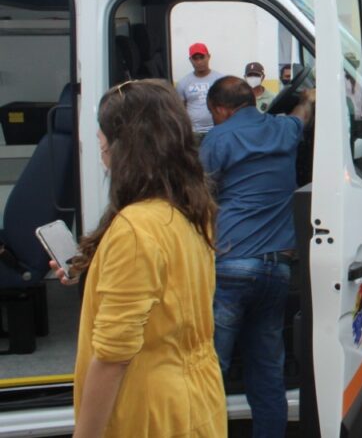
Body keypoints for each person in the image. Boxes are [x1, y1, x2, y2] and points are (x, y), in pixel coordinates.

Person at [59, 80, 226, 436]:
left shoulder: (134, 229)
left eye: (104, 136)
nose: (100, 143)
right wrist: (93, 275)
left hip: (148, 411)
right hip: (197, 400)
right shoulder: (190, 210)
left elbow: (112, 358)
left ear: (125, 147)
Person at [200, 76, 315, 437]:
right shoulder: (283, 130)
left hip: (230, 264)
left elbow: (199, 197)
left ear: (220, 109)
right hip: (276, 269)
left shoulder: (217, 139)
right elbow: (300, 117)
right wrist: (308, 98)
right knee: (267, 370)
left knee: (210, 369)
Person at [176, 42, 224, 135]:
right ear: (190, 60)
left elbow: (226, 105)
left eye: (202, 57)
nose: (199, 62)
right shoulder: (183, 83)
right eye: (195, 58)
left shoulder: (220, 80)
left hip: (216, 130)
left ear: (208, 57)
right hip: (193, 132)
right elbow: (180, 109)